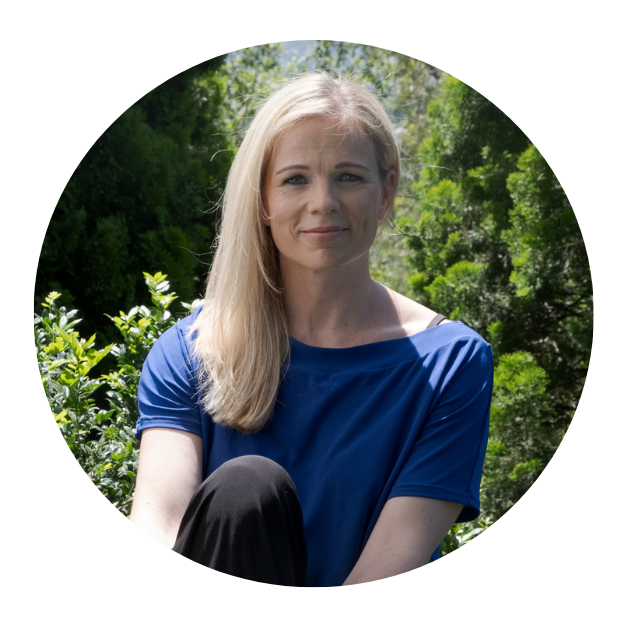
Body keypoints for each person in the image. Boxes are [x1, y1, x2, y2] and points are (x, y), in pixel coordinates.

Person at [129, 72, 493, 587]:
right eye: (295, 179)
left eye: (349, 177)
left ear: (386, 191)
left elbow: (389, 572)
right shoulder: (193, 351)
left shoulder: (451, 365)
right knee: (245, 489)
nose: (323, 201)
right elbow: (156, 532)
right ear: (262, 200)